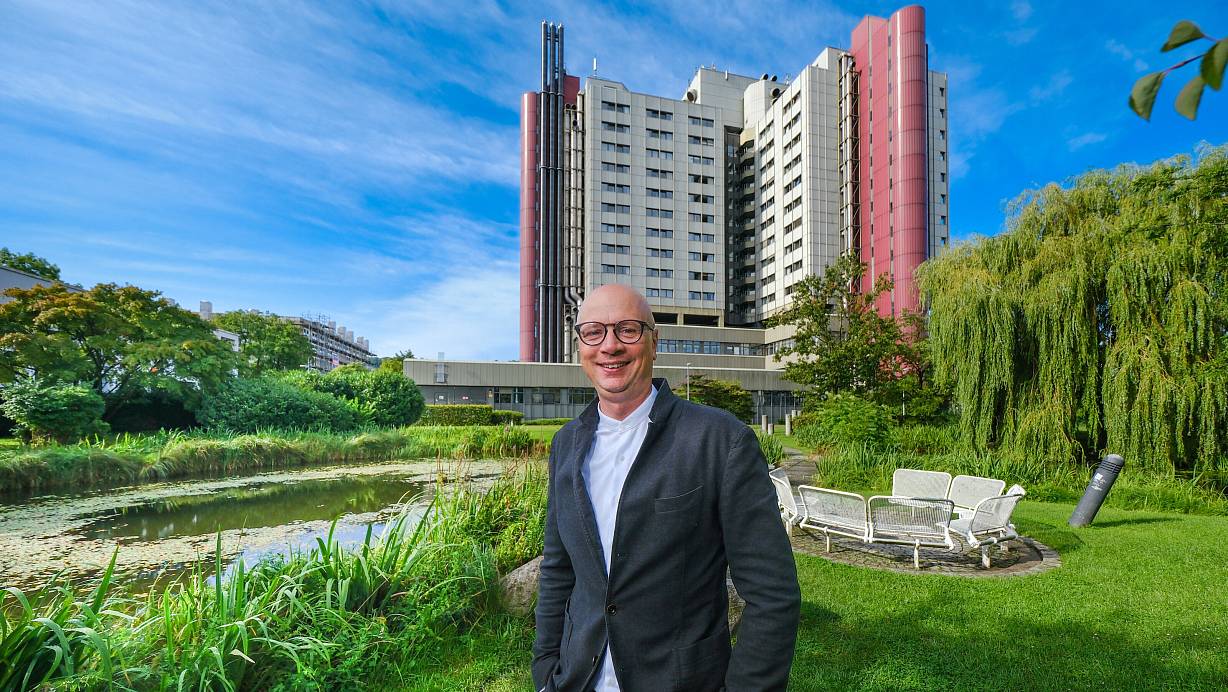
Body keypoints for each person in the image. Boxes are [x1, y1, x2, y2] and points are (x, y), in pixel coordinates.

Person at [532, 284, 800, 692]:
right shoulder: (566, 444)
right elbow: (557, 569)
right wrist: (545, 668)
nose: (610, 346)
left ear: (654, 343)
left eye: (628, 329)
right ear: (580, 346)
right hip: (576, 679)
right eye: (594, 332)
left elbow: (773, 594)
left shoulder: (719, 441)